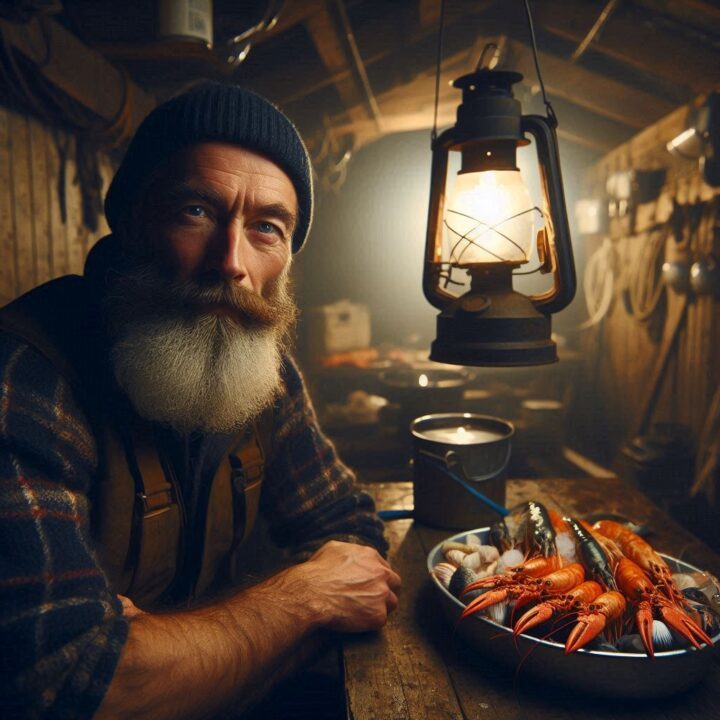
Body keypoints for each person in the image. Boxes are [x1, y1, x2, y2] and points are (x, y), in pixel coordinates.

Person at [0, 82, 401, 719]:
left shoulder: (262, 369)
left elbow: (353, 538)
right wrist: (299, 599)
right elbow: (68, 689)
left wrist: (164, 648)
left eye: (266, 228)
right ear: (132, 222)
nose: (230, 262)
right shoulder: (27, 374)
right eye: (196, 211)